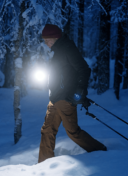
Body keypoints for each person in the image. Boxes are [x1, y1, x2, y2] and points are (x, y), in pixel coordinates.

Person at [38, 24, 107, 163]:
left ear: (55, 38)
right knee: (47, 131)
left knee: (73, 132)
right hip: (55, 99)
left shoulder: (68, 48)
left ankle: (101, 151)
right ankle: (43, 165)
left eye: (48, 40)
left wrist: (80, 91)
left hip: (65, 99)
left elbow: (84, 69)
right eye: (44, 40)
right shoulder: (58, 51)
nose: (46, 43)